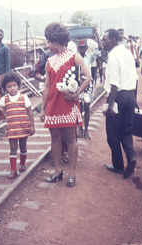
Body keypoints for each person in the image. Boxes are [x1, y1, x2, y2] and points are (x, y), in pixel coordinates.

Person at [40, 22, 91, 188]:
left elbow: (87, 77)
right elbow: (47, 86)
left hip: (68, 105)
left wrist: (77, 94)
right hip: (53, 105)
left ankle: (72, 173)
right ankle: (57, 171)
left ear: (56, 41)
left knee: (70, 138)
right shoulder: (49, 61)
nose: (48, 45)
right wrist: (42, 108)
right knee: (54, 139)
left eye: (49, 41)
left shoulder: (74, 57)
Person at [0, 73, 35, 179]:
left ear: (18, 85)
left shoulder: (23, 97)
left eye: (14, 85)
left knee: (23, 146)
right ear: (5, 88)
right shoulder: (5, 99)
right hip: (12, 128)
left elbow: (30, 112)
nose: (12, 88)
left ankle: (22, 165)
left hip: (23, 126)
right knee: (13, 148)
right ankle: (13, 170)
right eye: (9, 86)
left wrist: (32, 126)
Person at [102, 28, 137, 179]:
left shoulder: (113, 57)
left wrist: (110, 106)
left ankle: (118, 167)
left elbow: (114, 85)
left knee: (112, 134)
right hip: (130, 95)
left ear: (114, 40)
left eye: (105, 40)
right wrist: (134, 100)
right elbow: (135, 77)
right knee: (126, 131)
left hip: (118, 97)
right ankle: (131, 157)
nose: (103, 42)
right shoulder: (127, 53)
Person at [77, 39, 93, 139]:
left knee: (87, 108)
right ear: (78, 48)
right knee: (79, 108)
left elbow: (99, 49)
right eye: (80, 47)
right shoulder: (75, 59)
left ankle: (86, 130)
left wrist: (95, 34)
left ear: (86, 48)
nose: (82, 49)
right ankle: (80, 128)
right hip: (78, 85)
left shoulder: (90, 57)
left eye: (84, 47)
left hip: (87, 86)